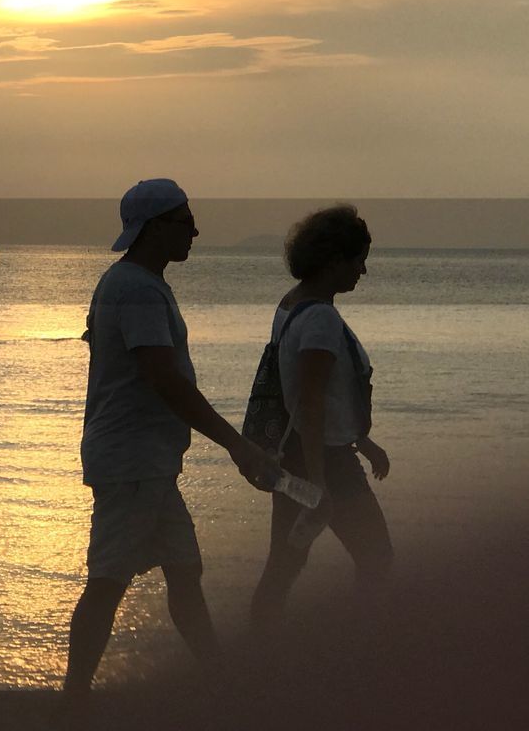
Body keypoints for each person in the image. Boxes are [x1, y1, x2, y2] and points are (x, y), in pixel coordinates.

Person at [59, 179, 281, 724]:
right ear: (156, 227)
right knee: (108, 580)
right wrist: (238, 445)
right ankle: (73, 702)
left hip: (149, 462)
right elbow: (166, 380)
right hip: (132, 462)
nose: (196, 230)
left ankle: (218, 684)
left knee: (184, 572)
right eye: (185, 220)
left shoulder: (135, 285)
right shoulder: (135, 289)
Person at [249, 204, 393, 628]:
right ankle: (358, 644)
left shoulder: (290, 304)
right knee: (376, 556)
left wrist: (362, 440)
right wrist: (318, 482)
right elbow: (310, 402)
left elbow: (308, 394)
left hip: (297, 453)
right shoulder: (321, 320)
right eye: (358, 260)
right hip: (322, 460)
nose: (362, 271)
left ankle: (258, 649)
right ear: (334, 261)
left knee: (286, 561)